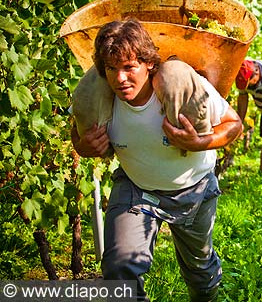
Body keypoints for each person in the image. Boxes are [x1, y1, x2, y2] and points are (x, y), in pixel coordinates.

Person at [70, 19, 243, 302]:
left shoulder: (182, 90)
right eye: (111, 69)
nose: (120, 79)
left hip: (194, 190)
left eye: (129, 67)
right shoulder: (103, 101)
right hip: (138, 189)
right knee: (117, 268)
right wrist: (83, 146)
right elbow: (78, 138)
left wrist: (199, 142)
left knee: (200, 274)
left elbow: (233, 124)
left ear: (148, 63)